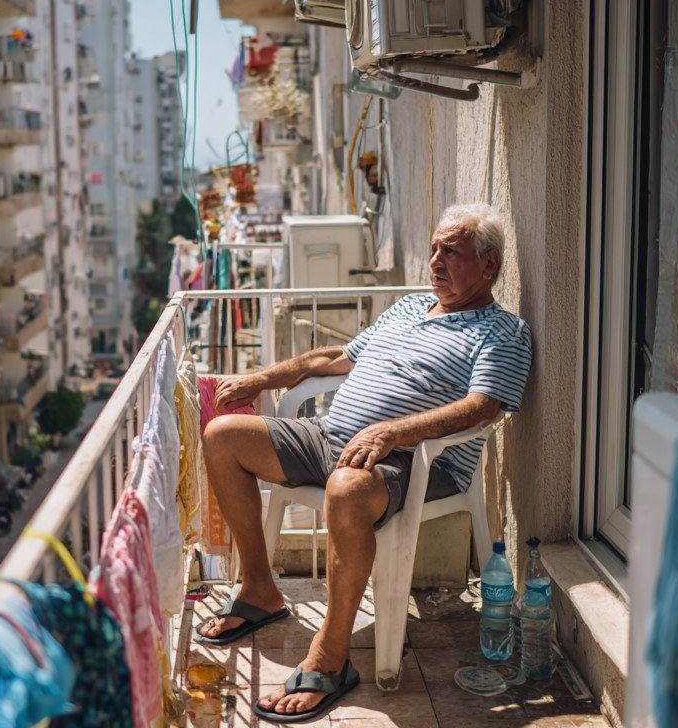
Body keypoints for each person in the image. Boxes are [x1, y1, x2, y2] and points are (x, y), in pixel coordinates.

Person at [197, 203, 534, 723]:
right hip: (330, 437)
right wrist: (262, 379)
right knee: (222, 437)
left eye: (452, 252)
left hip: (413, 462)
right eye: (434, 249)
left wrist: (394, 431)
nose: (435, 261)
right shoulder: (408, 308)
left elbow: (482, 406)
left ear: (488, 265)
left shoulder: (502, 331)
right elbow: (333, 359)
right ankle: (259, 590)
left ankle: (331, 658)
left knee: (348, 488)